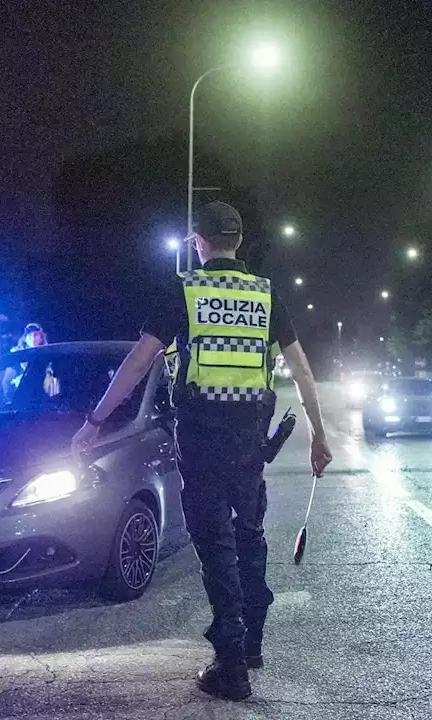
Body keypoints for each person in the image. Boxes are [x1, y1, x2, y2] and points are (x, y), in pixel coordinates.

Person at [71, 201, 332, 701]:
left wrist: (96, 420)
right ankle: (252, 640)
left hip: (202, 439)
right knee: (251, 535)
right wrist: (320, 435)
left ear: (199, 241)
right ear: (239, 240)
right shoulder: (266, 294)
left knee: (215, 545)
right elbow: (301, 370)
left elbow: (138, 362)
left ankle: (231, 665)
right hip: (250, 439)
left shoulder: (184, 289)